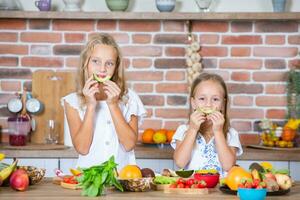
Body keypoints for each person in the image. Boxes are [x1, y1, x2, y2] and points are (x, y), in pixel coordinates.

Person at [61, 33, 146, 169]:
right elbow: (82, 148)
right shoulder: (72, 101)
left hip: (122, 179)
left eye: (109, 63)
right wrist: (90, 106)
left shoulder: (130, 98)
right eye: (96, 61)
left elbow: (129, 144)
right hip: (88, 181)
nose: (102, 69)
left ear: (116, 67)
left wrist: (113, 104)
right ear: (85, 63)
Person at [171, 73, 243, 176]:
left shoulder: (231, 134)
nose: (208, 104)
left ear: (223, 104)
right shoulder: (183, 130)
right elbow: (180, 163)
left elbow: (228, 166)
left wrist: (218, 131)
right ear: (193, 103)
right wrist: (192, 129)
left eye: (215, 99)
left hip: (219, 190)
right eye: (202, 99)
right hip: (193, 189)